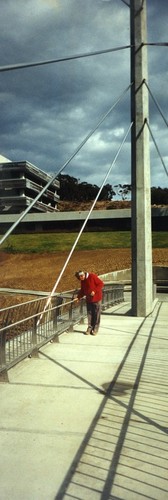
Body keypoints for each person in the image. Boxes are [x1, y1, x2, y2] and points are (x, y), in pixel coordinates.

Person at [75, 270, 104, 335]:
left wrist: (94, 291)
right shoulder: (82, 281)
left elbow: (101, 284)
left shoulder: (92, 276)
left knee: (96, 314)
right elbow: (82, 290)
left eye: (82, 276)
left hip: (96, 299)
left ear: (83, 274)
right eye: (80, 278)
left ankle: (95, 329)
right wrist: (78, 297)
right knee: (90, 314)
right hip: (89, 299)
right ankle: (90, 328)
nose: (81, 278)